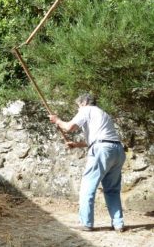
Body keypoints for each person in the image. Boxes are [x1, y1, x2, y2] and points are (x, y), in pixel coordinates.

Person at [48, 93, 126, 232]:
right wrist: (77, 144)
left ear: (84, 102)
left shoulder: (86, 109)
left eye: (78, 106)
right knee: (112, 189)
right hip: (117, 150)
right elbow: (100, 137)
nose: (78, 109)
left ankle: (86, 223)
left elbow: (69, 127)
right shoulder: (103, 114)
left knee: (87, 186)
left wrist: (57, 120)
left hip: (102, 150)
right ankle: (118, 224)